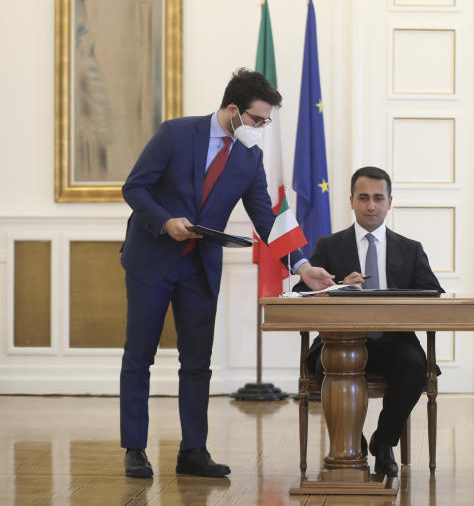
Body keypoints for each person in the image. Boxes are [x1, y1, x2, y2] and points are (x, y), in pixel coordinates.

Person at [119, 68, 335, 478]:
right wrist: (166, 222)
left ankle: (193, 451)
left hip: (199, 267)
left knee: (197, 361)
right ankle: (134, 447)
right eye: (257, 119)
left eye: (266, 121)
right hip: (152, 259)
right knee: (139, 357)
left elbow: (267, 219)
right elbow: (135, 188)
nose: (260, 128)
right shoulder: (175, 133)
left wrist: (303, 267)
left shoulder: (249, 158)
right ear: (233, 110)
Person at [297, 166, 444, 477]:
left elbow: (432, 293)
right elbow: (301, 294)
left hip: (393, 340)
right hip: (339, 339)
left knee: (415, 367)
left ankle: (384, 440)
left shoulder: (409, 248)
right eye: (363, 198)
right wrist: (338, 288)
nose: (371, 206)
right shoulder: (329, 246)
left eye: (378, 198)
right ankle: (351, 444)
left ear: (390, 202)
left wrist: (397, 300)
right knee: (326, 366)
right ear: (351, 201)